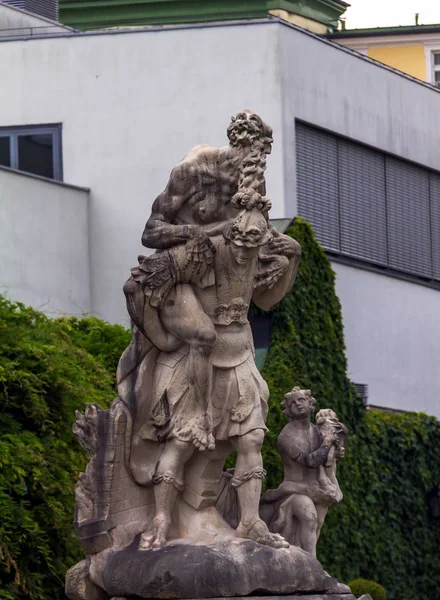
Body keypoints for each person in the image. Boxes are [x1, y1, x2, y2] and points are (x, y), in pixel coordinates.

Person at [138, 199, 293, 550]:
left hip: (239, 354)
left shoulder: (260, 255)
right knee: (182, 440)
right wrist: (162, 333)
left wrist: (293, 254)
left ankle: (250, 521)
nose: (243, 254)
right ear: (231, 235)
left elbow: (269, 298)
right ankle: (161, 519)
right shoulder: (204, 252)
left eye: (252, 247)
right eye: (239, 244)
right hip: (198, 361)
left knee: (252, 439)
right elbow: (146, 283)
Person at [260, 387, 346, 556]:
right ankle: (312, 566)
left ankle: (307, 559)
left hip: (317, 489)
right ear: (288, 411)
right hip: (294, 489)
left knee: (317, 526)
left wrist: (335, 453)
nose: (298, 405)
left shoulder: (316, 430)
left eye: (301, 400)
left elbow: (325, 459)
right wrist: (327, 442)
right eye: (293, 403)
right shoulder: (286, 436)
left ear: (310, 404)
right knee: (309, 516)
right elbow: (311, 461)